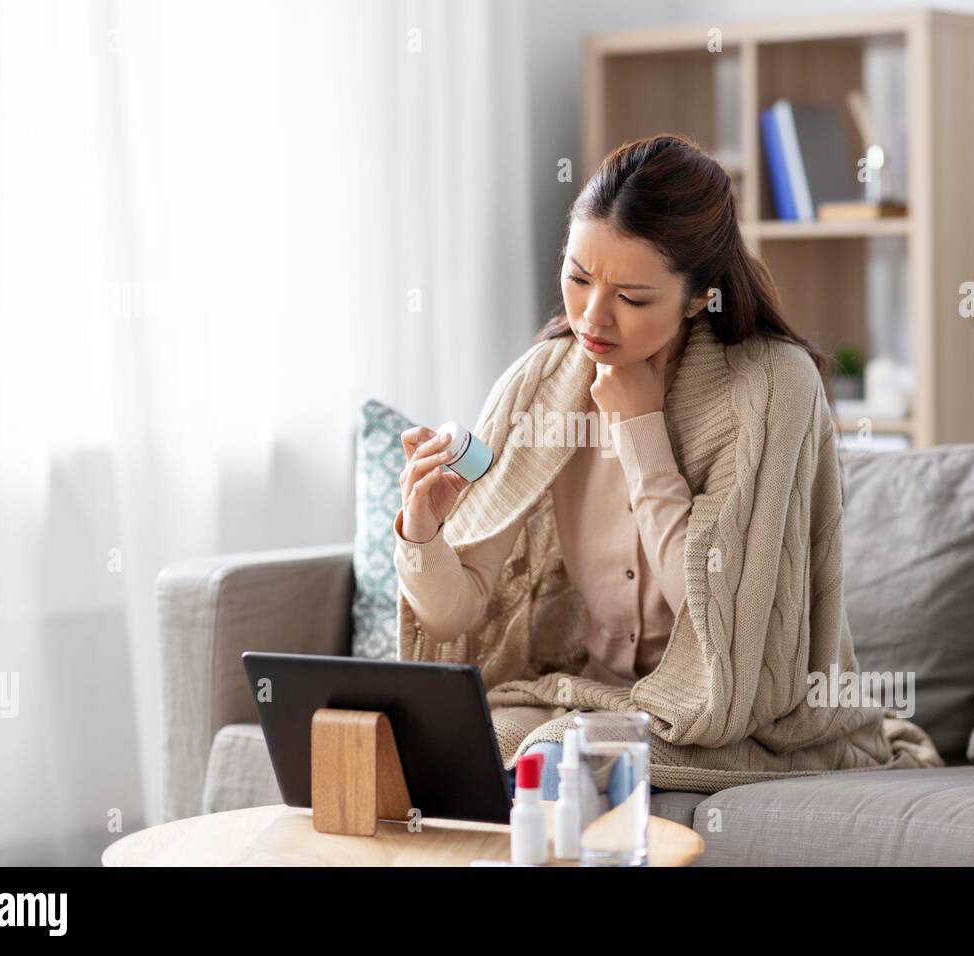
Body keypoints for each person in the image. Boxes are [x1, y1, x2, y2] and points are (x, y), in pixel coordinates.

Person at [393, 133, 944, 801]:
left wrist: (639, 429)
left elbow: (726, 627)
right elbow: (460, 617)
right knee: (436, 742)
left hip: (744, 713)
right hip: (593, 698)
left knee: (551, 756)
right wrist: (422, 535)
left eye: (631, 295)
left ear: (695, 296)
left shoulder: (770, 387)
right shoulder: (542, 381)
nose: (592, 316)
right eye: (577, 277)